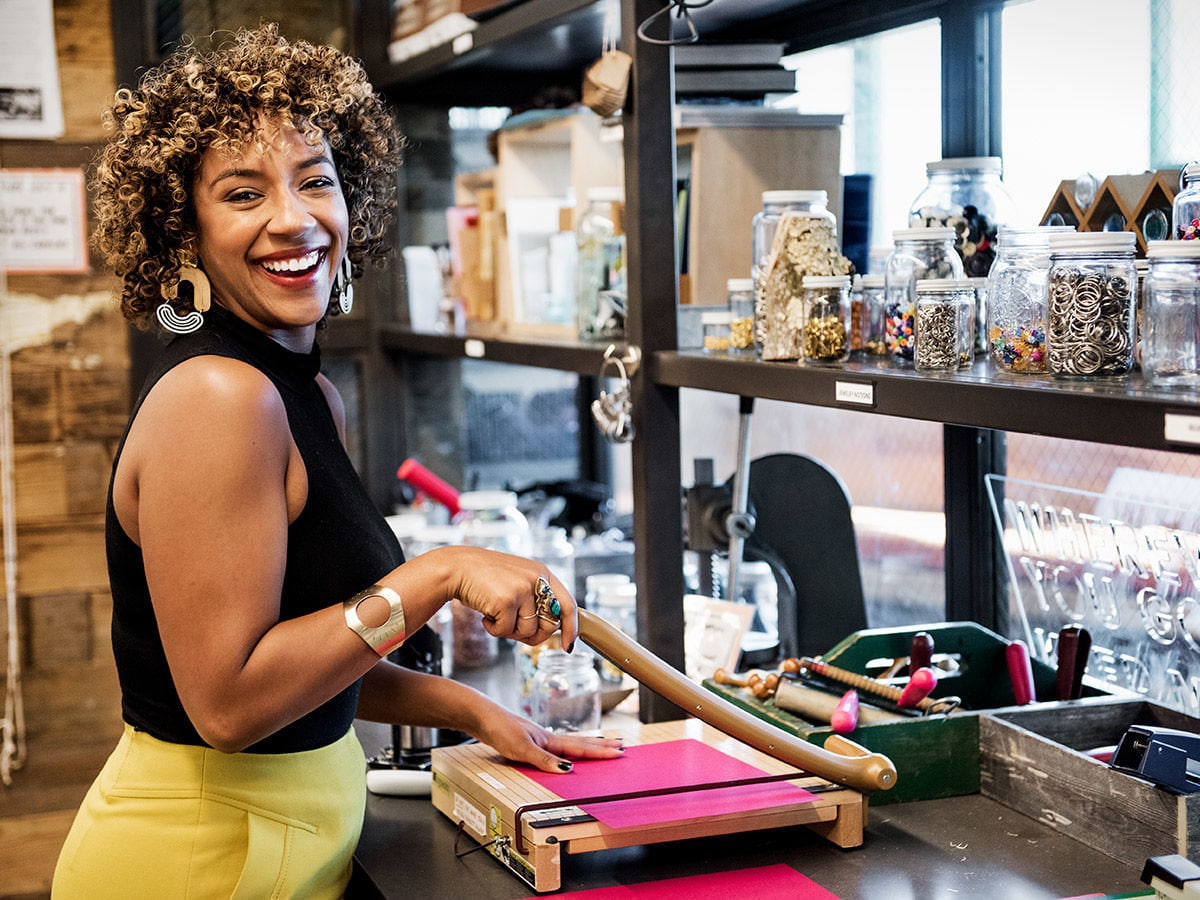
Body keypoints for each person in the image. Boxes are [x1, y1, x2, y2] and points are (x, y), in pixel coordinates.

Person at [52, 24, 623, 898]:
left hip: (288, 844)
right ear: (181, 230)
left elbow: (309, 661)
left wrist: (474, 710)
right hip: (200, 859)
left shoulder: (304, 395)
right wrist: (438, 574)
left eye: (316, 180)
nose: (294, 217)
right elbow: (232, 704)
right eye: (243, 193)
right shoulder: (220, 398)